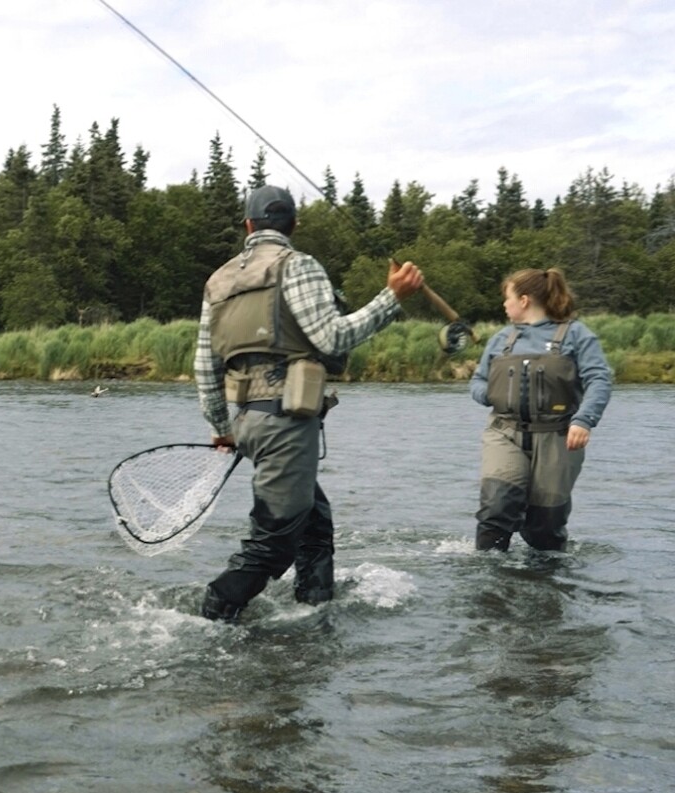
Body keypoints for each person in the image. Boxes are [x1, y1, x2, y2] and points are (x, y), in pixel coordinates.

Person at [193, 185, 424, 623]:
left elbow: (205, 366)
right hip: (285, 423)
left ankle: (314, 609)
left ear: (247, 226)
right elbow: (331, 337)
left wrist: (222, 426)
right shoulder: (299, 265)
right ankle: (214, 612)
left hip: (248, 423)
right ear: (293, 226)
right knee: (274, 540)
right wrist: (390, 297)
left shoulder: (218, 280)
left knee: (314, 523)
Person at [469, 267, 612, 552]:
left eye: (506, 298)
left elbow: (600, 379)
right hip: (504, 433)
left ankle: (545, 580)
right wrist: (493, 395)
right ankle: (486, 580)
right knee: (496, 508)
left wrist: (584, 421)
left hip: (558, 436)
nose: (503, 305)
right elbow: (477, 382)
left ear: (524, 300)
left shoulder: (577, 335)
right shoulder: (501, 339)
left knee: (544, 526)